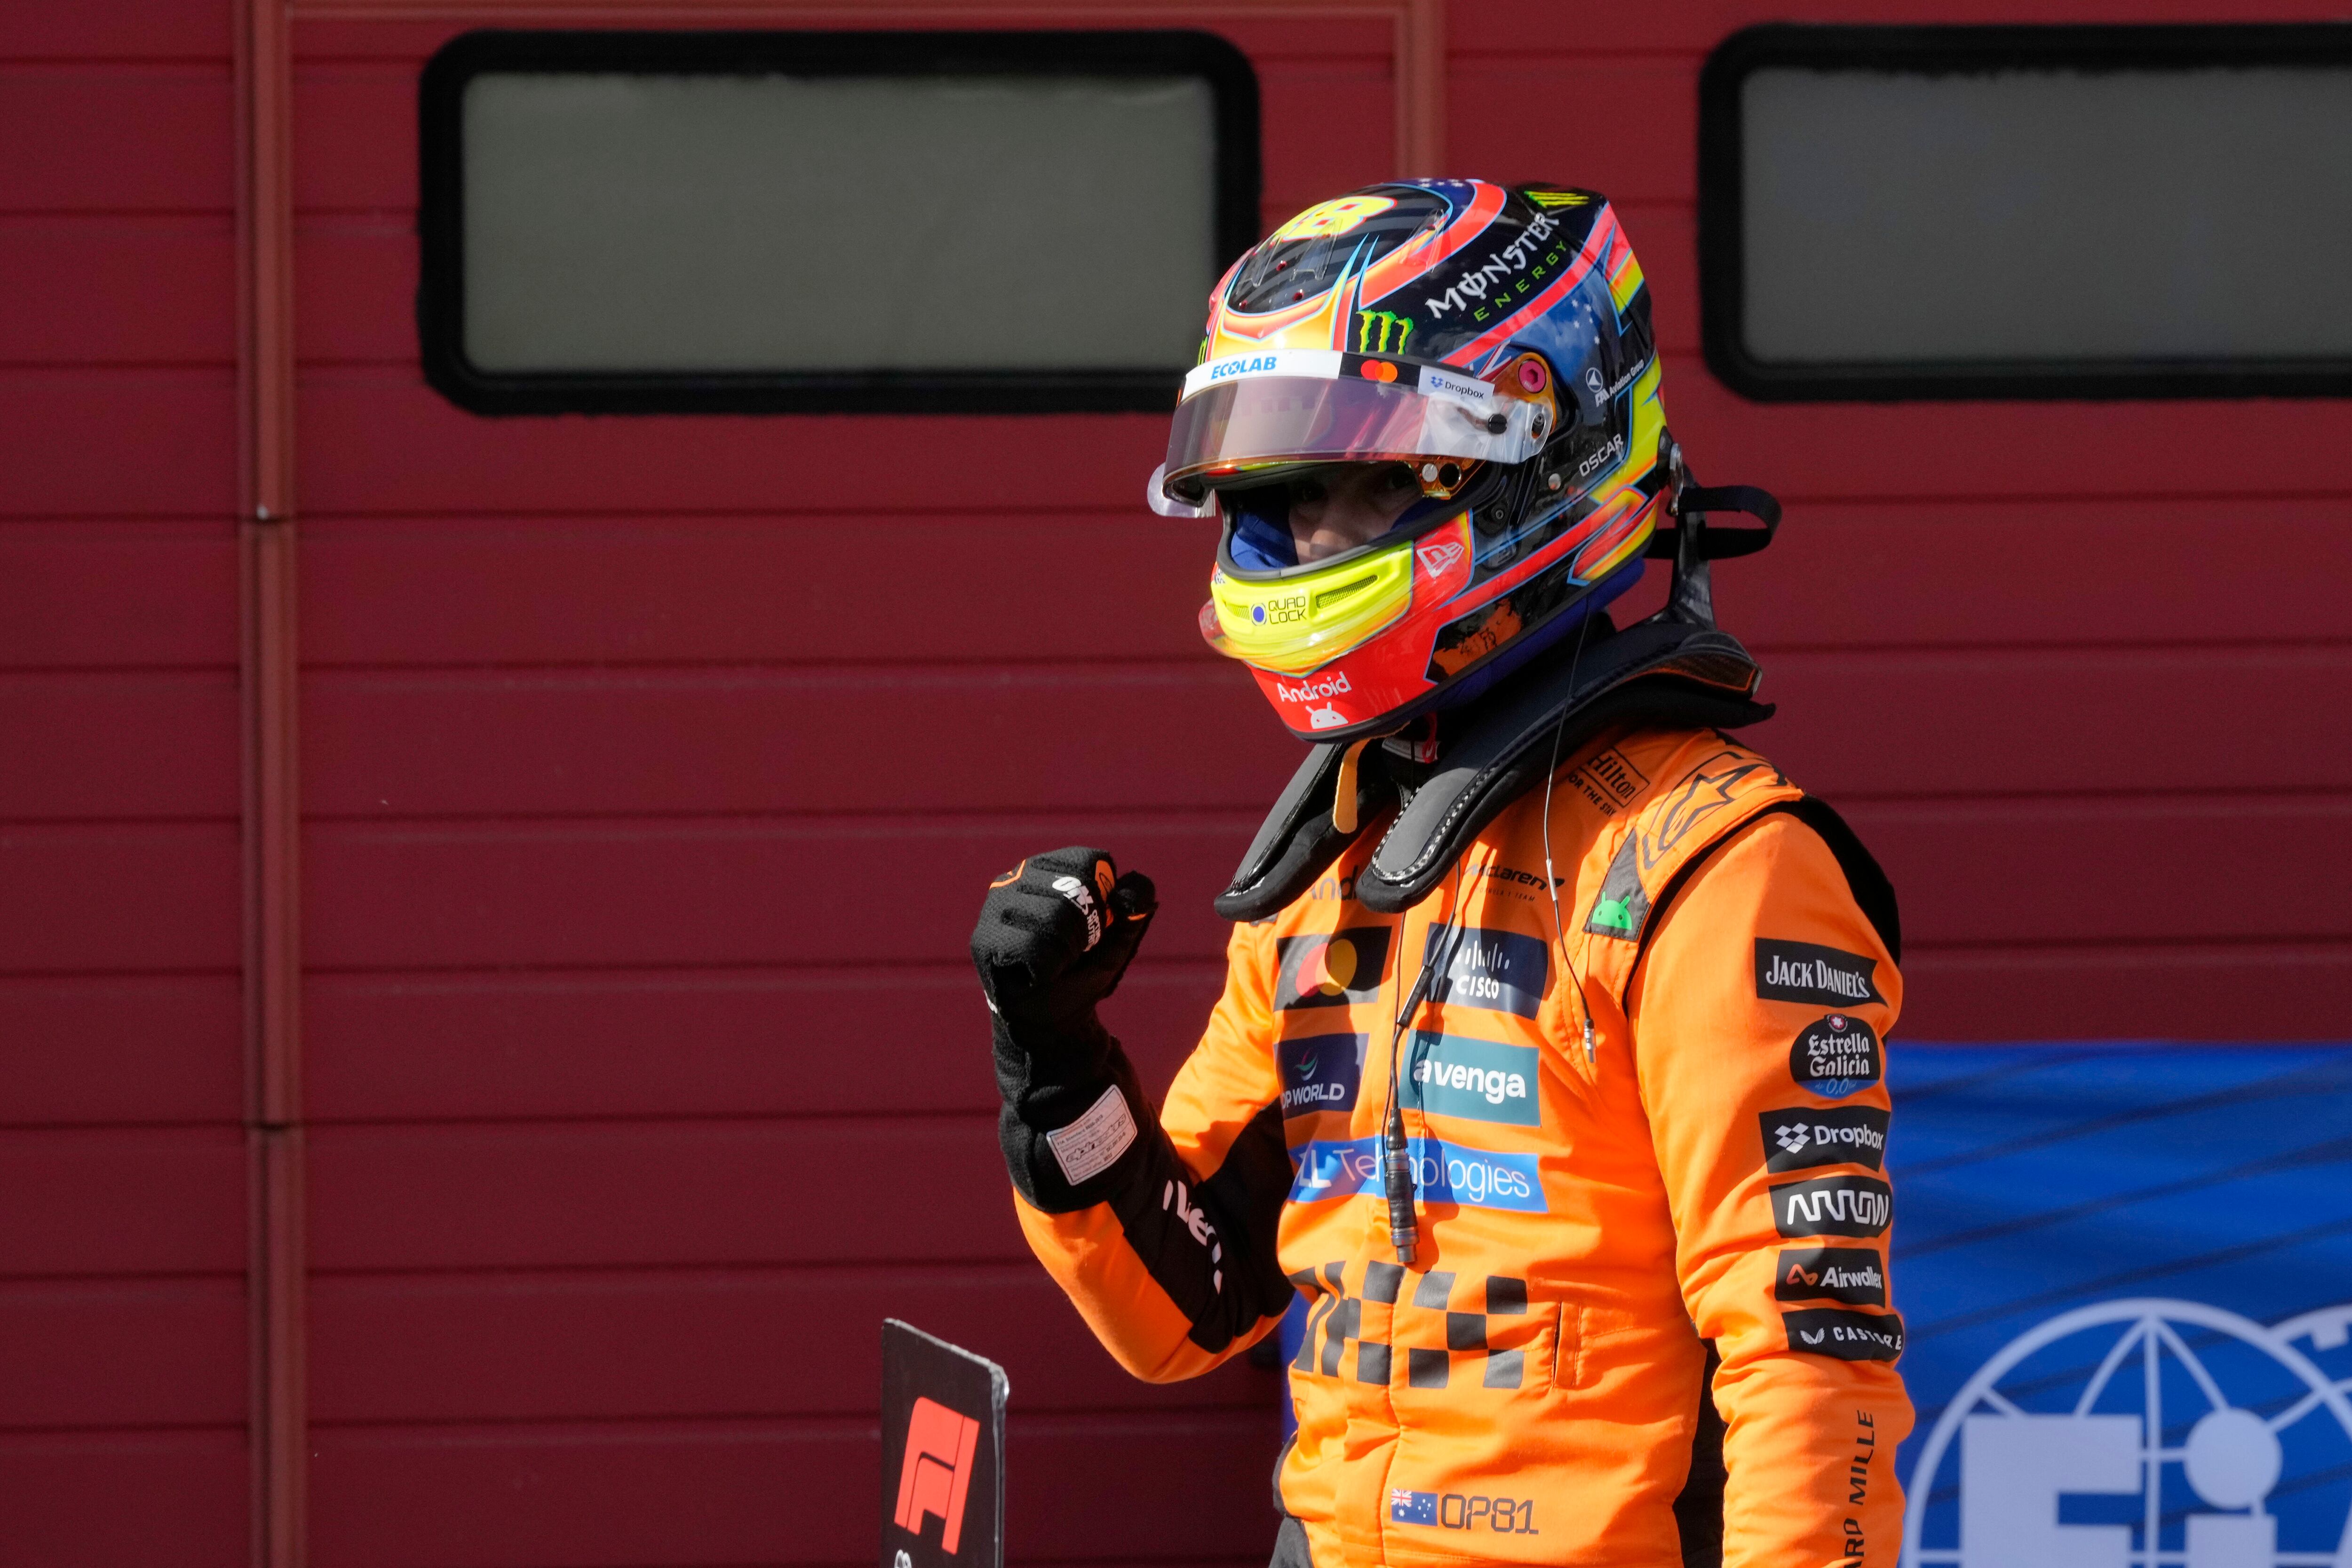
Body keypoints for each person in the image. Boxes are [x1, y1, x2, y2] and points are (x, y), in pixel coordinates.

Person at [971, 181, 1910, 1568]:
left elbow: (1808, 1368)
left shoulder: (1719, 866)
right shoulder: (1335, 864)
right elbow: (1189, 1308)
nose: (1308, 543)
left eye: (1368, 486)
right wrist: (1058, 1073)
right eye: (1285, 502)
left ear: (1536, 455)